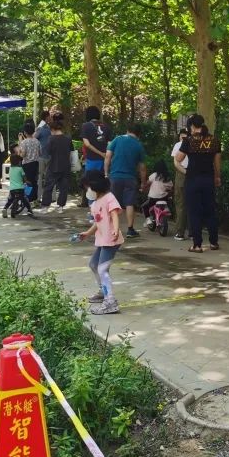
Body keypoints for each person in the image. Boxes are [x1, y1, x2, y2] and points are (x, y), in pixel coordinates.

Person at [77, 172, 124, 314]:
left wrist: (115, 229)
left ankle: (110, 302)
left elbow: (114, 214)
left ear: (95, 185)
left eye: (88, 187)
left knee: (102, 269)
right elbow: (98, 222)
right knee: (93, 264)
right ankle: (103, 292)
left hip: (111, 240)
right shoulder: (95, 203)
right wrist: (87, 233)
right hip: (103, 240)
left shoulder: (109, 198)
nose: (87, 191)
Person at [175, 114, 221, 253]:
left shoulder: (189, 140)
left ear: (191, 126)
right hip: (208, 179)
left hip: (193, 180)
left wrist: (185, 170)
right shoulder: (213, 140)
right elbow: (217, 161)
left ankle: (197, 245)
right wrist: (217, 177)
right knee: (210, 210)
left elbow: (178, 159)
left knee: (194, 212)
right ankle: (214, 242)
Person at [105, 122, 147, 238]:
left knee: (113, 203)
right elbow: (142, 168)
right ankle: (130, 230)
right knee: (129, 203)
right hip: (130, 178)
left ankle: (111, 228)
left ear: (127, 130)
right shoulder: (139, 146)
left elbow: (108, 156)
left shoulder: (117, 139)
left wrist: (106, 173)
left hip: (115, 176)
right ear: (139, 134)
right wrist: (143, 183)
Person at [80, 106, 113, 207]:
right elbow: (110, 144)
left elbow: (87, 144)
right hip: (105, 161)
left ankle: (93, 210)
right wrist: (105, 155)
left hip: (92, 160)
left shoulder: (85, 126)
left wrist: (99, 153)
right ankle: (103, 208)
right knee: (103, 185)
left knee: (91, 185)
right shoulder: (107, 126)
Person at [41, 123, 73, 208]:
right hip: (66, 166)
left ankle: (45, 205)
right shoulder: (68, 139)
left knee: (48, 186)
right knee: (63, 188)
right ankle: (61, 206)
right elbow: (71, 152)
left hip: (53, 165)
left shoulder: (51, 139)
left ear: (53, 130)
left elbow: (47, 152)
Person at [3, 147, 34, 218]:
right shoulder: (20, 169)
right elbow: (24, 179)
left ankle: (5, 208)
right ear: (19, 162)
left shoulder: (10, 169)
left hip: (12, 189)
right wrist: (27, 182)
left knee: (10, 200)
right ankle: (29, 210)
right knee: (25, 199)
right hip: (20, 188)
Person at [141, 160, 173, 226]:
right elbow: (171, 187)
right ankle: (166, 209)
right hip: (164, 198)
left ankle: (148, 220)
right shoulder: (167, 177)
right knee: (169, 199)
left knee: (144, 206)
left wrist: (143, 188)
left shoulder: (154, 175)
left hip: (153, 198)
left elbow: (147, 184)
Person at [171, 129, 190, 240]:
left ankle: (180, 232)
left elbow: (176, 162)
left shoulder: (178, 145)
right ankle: (193, 232)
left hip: (181, 174)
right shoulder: (197, 143)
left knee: (180, 204)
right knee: (193, 204)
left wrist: (185, 172)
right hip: (195, 174)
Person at [34, 110, 54, 203]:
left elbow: (34, 138)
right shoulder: (47, 129)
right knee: (49, 177)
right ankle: (51, 197)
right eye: (49, 116)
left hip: (42, 156)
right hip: (48, 156)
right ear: (46, 117)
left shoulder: (41, 128)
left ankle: (39, 197)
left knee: (40, 177)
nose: (50, 118)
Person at [18, 121, 41, 195]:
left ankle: (28, 197)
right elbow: (40, 153)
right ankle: (35, 197)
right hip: (36, 164)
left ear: (25, 132)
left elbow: (22, 155)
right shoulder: (37, 141)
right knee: (34, 181)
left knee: (28, 182)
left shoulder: (24, 142)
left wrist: (19, 151)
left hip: (27, 165)